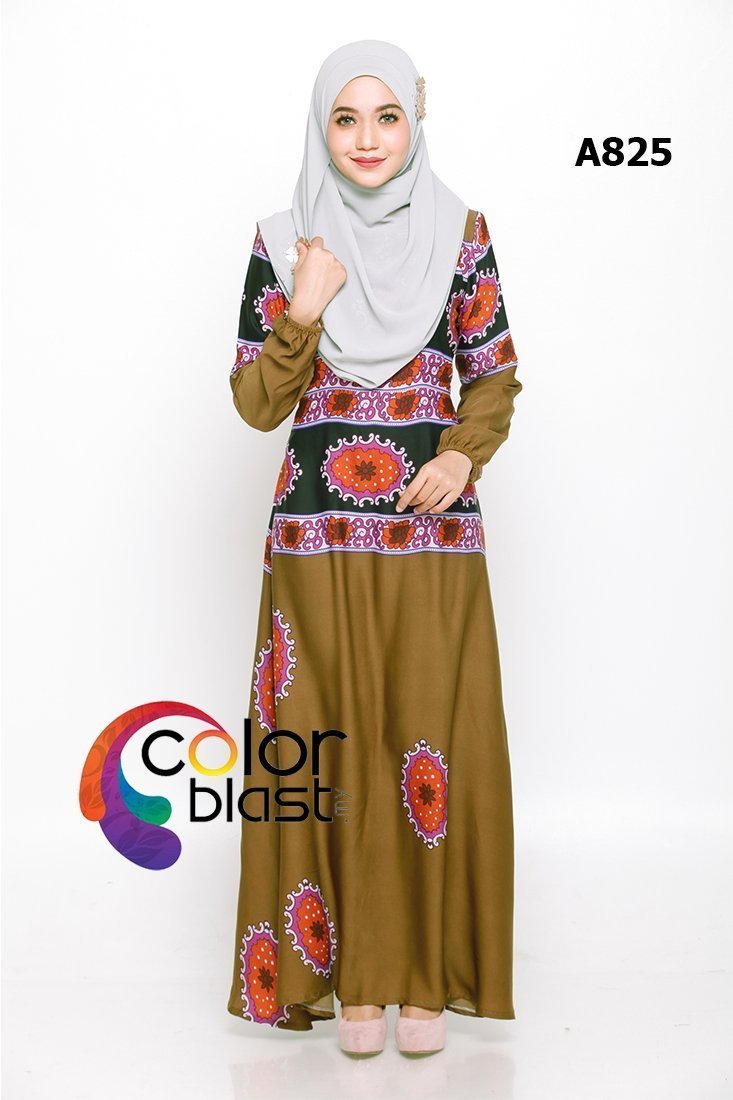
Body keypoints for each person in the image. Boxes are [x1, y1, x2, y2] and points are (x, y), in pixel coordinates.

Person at [226, 39, 522, 1056]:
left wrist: (463, 452)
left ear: (413, 121)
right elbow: (257, 403)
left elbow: (493, 373)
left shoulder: (461, 233)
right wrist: (304, 309)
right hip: (315, 539)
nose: (365, 138)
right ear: (321, 128)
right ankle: (351, 982)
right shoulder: (282, 241)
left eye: (385, 116)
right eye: (345, 118)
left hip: (432, 536)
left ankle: (425, 980)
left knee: (428, 738)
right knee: (334, 747)